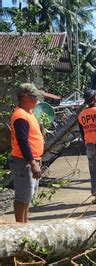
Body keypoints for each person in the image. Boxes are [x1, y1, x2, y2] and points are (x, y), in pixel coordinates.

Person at [10, 83, 44, 223]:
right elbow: (23, 142)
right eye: (34, 97)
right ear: (25, 97)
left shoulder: (28, 113)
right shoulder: (20, 116)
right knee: (22, 196)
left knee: (28, 195)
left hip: (32, 159)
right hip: (24, 161)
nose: (37, 100)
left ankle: (25, 223)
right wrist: (32, 163)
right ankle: (20, 226)